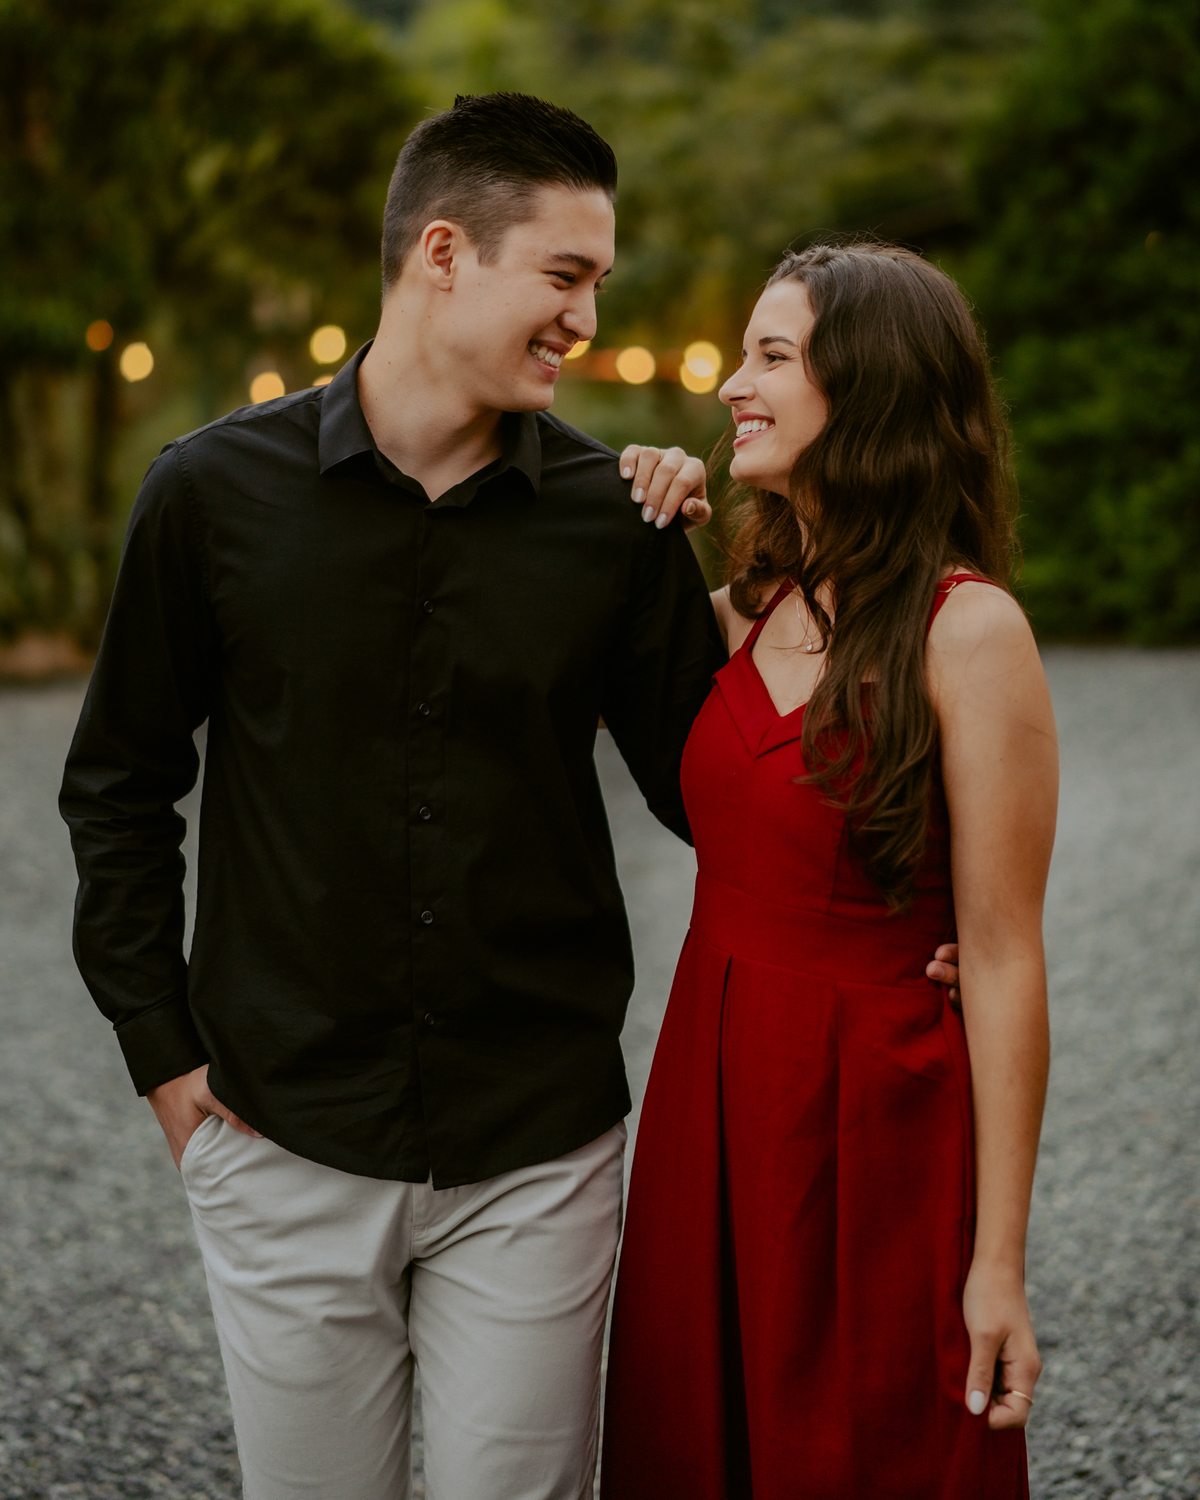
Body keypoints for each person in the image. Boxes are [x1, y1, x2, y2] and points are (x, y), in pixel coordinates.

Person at [60, 92, 962, 1499]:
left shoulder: (618, 522)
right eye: (566, 277)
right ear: (441, 254)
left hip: (540, 1148)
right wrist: (161, 1053)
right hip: (281, 1135)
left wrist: (916, 918)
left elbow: (718, 794)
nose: (588, 321)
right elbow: (119, 785)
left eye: (598, 284)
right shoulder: (208, 497)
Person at [601, 242, 1056, 1499]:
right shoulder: (741, 611)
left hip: (879, 1118)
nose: (732, 385)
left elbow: (1007, 956)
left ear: (872, 388)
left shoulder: (971, 631)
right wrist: (637, 515)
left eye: (773, 356)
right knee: (698, 1446)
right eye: (742, 354)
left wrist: (1000, 1264)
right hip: (711, 1088)